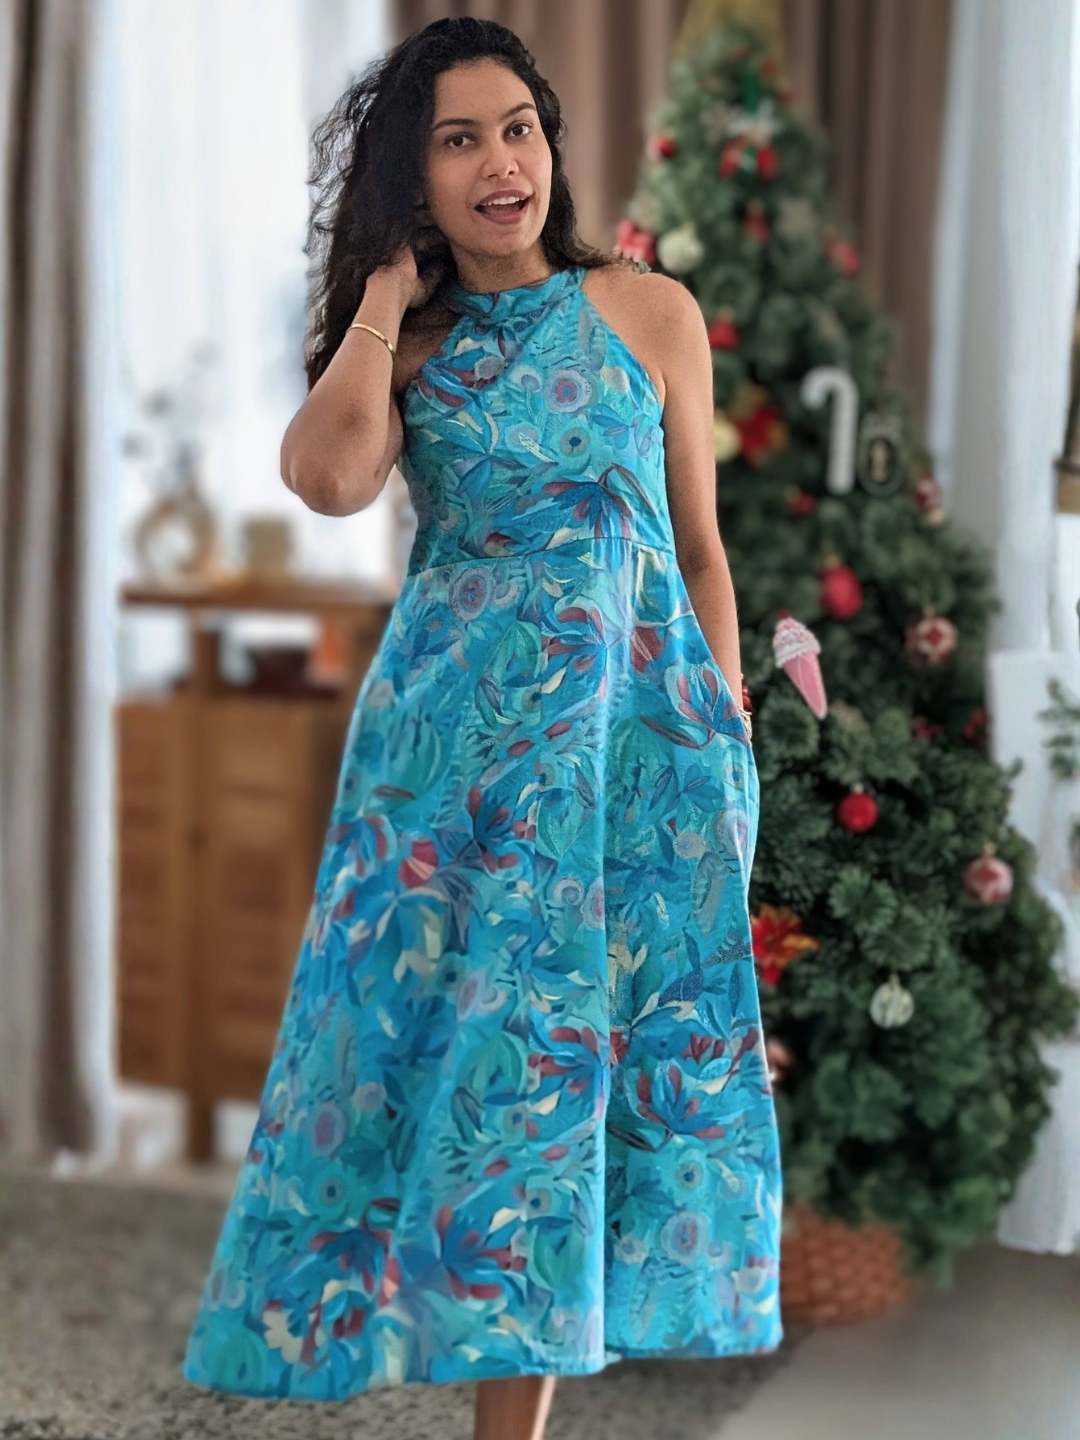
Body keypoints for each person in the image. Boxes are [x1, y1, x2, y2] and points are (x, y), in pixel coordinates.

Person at [181, 16, 783, 1438]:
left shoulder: (649, 311)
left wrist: (725, 728)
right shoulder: (411, 346)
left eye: (519, 129)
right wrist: (386, 295)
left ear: (551, 147)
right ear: (416, 177)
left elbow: (701, 551)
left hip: (633, 766)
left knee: (568, 1090)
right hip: (452, 782)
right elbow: (326, 478)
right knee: (444, 1076)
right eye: (459, 142)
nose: (502, 163)